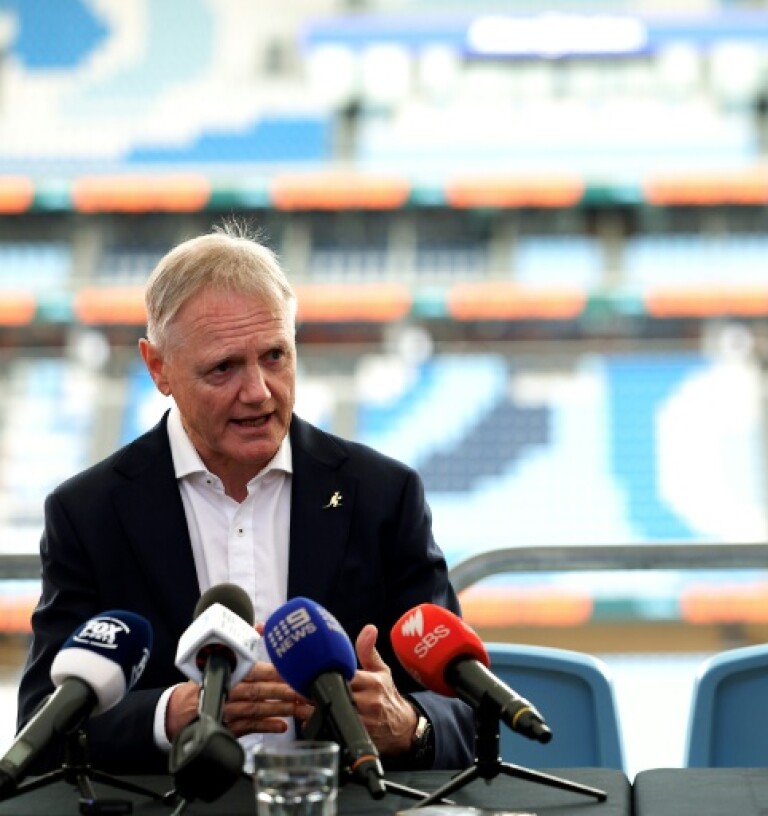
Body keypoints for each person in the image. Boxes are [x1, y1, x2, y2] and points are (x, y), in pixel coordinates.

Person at [17, 224, 476, 775]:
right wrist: (171, 714)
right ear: (158, 367)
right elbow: (41, 723)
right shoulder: (88, 513)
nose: (258, 391)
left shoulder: (383, 495)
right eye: (223, 367)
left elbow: (464, 712)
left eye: (275, 356)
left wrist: (407, 725)